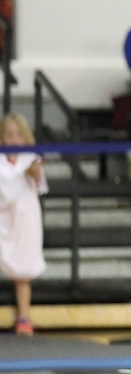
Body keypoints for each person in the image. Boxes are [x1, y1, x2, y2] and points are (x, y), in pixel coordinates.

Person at [0, 113, 46, 335]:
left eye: (18, 134)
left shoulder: (31, 158)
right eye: (8, 135)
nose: (13, 139)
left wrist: (34, 173)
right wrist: (22, 175)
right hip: (3, 221)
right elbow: (4, 192)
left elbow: (40, 185)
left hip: (25, 221)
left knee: (22, 274)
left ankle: (24, 318)